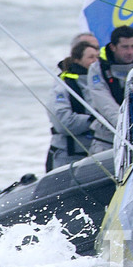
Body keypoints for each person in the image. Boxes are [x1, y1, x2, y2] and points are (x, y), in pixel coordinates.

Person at [47, 38, 103, 169]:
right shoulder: (63, 85)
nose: (95, 61)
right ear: (77, 60)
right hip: (69, 155)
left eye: (97, 57)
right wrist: (94, 120)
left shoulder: (101, 83)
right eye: (91, 57)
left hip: (96, 151)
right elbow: (62, 122)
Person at [87, 24, 133, 148]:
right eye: (125, 47)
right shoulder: (97, 69)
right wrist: (125, 126)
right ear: (113, 47)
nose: (130, 52)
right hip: (108, 139)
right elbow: (105, 103)